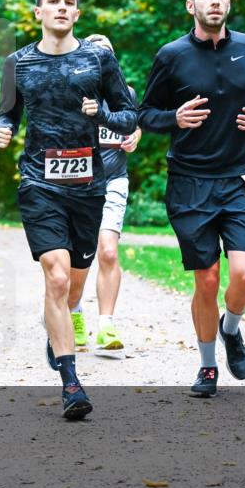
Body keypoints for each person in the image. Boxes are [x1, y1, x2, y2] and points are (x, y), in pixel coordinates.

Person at [0, 0, 138, 419]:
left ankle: (58, 327)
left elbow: (130, 116)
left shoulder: (99, 60)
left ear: (76, 12)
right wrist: (3, 129)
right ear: (39, 11)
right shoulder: (17, 63)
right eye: (52, 1)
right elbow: (8, 113)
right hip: (39, 182)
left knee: (75, 276)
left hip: (88, 185)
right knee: (55, 278)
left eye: (68, 2)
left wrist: (103, 116)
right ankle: (72, 383)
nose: (61, 8)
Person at [138, 0, 245, 398]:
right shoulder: (172, 55)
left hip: (238, 177)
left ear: (229, 4)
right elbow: (144, 113)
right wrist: (174, 118)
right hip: (190, 182)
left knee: (244, 275)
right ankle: (208, 365)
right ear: (191, 6)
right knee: (207, 280)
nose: (216, 1)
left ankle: (232, 329)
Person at [67, 34, 143, 357]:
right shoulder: (73, 93)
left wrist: (135, 136)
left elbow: (135, 124)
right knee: (77, 261)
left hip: (114, 180)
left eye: (106, 54)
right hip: (79, 185)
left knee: (108, 252)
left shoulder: (126, 93)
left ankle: (107, 325)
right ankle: (73, 311)